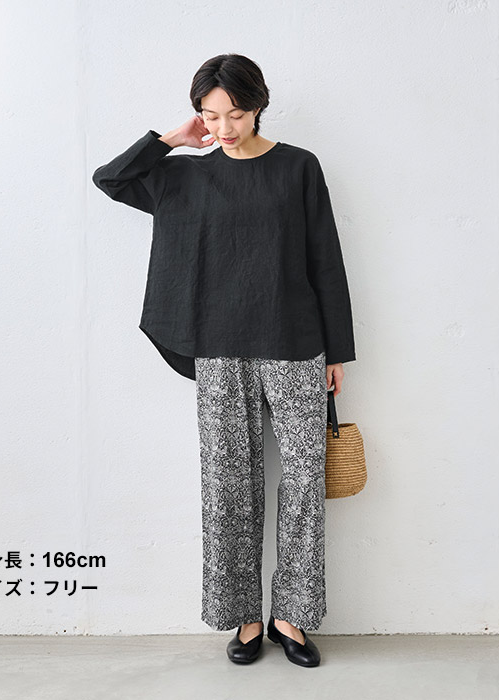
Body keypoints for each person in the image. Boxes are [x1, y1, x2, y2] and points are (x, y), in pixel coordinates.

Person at [92, 53, 356, 668]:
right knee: (228, 485)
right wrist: (171, 139)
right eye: (210, 115)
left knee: (304, 482)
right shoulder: (184, 175)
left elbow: (325, 257)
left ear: (258, 105)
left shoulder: (298, 166)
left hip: (296, 343)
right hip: (217, 347)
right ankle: (244, 617)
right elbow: (111, 179)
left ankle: (291, 617)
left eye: (235, 113)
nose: (224, 126)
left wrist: (338, 350)